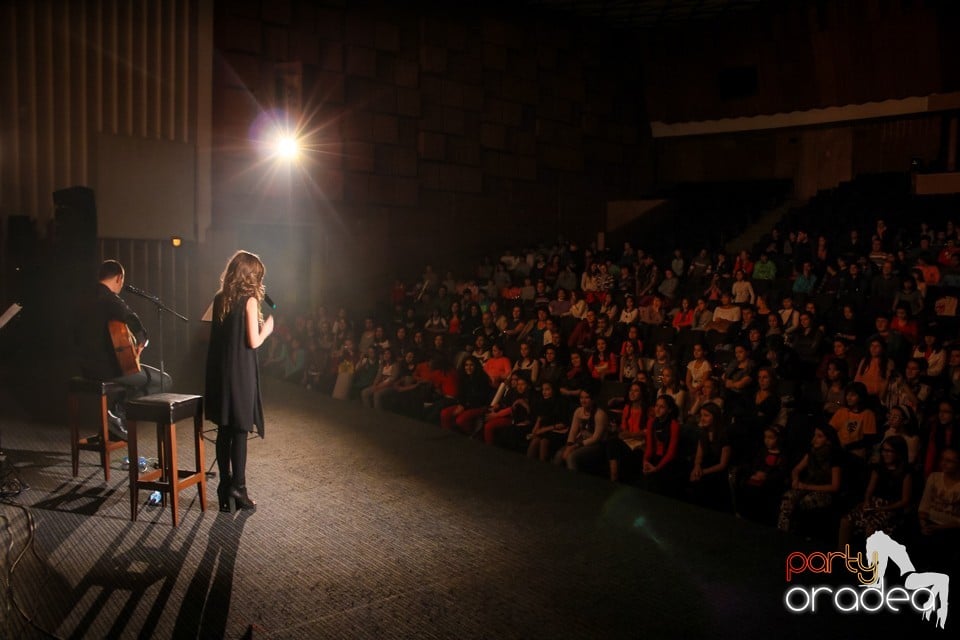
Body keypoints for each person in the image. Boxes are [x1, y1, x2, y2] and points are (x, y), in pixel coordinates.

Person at [205, 251, 274, 513]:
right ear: (250, 276)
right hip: (241, 371)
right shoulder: (250, 302)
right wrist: (267, 328)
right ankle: (239, 488)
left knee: (224, 430)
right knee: (240, 430)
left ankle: (224, 488)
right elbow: (253, 341)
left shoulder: (219, 299)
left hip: (221, 372)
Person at [74, 259, 172, 441]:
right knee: (164, 381)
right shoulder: (110, 299)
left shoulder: (83, 297)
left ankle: (116, 418)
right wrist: (142, 339)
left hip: (85, 368)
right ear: (119, 278)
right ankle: (117, 413)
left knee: (132, 384)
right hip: (109, 369)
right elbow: (131, 318)